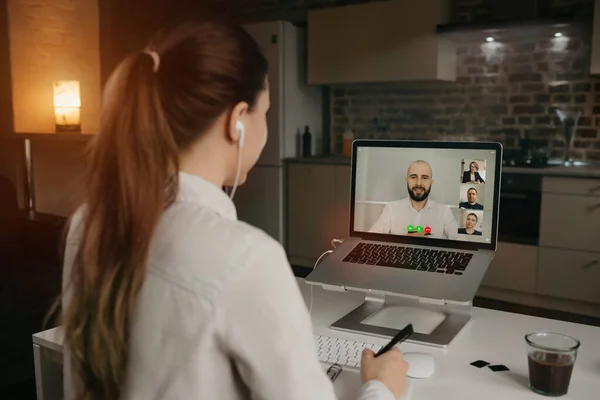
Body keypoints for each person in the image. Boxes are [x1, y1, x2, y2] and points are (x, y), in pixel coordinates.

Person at [57, 17, 409, 400]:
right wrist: (381, 387)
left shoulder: (88, 222)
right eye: (266, 113)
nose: (267, 126)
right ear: (237, 122)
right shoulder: (247, 260)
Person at [369, 160, 458, 240]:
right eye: (413, 177)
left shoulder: (444, 211)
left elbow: (462, 243)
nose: (419, 183)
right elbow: (371, 239)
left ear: (431, 182)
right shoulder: (391, 208)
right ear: (407, 180)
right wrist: (405, 241)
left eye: (424, 177)